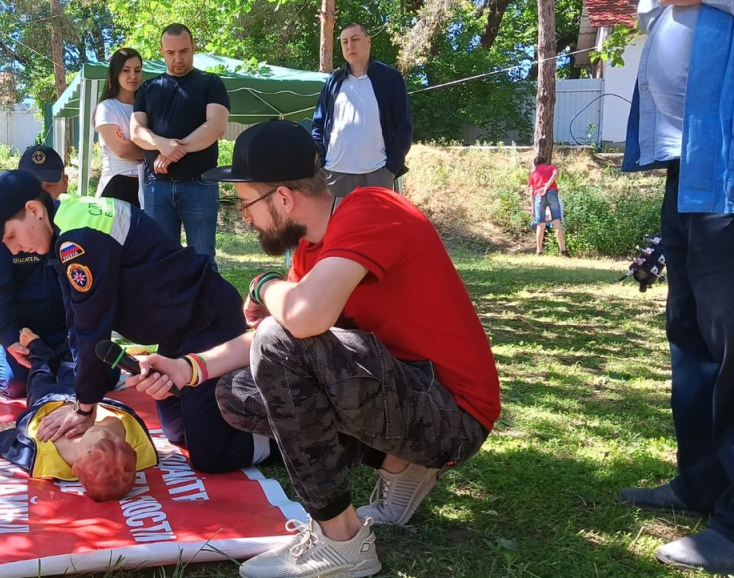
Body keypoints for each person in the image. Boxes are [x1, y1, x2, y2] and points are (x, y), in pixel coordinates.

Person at [129, 120, 501, 577]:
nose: (243, 216)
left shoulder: (373, 209)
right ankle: (399, 464)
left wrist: (264, 284)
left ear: (283, 197)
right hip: (410, 395)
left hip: (454, 418)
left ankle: (341, 542)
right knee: (236, 393)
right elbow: (287, 335)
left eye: (245, 202)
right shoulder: (312, 248)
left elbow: (299, 322)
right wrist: (189, 368)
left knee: (277, 341)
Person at [0, 170, 272, 473]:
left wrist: (84, 407)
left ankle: (276, 436)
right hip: (178, 328)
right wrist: (83, 394)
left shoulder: (77, 240)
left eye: (10, 236)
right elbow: (75, 323)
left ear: (34, 210)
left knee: (210, 455)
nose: (12, 249)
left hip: (208, 322)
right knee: (177, 432)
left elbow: (92, 328)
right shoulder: (66, 224)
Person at [615, 0, 734, 573]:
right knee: (688, 333)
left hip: (729, 159)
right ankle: (700, 483)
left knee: (730, 337)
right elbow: (645, 14)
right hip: (686, 162)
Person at [0, 328, 156, 502]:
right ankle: (70, 341)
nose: (102, 434)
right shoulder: (122, 443)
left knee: (39, 376)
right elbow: (120, 422)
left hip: (44, 402)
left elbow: (18, 449)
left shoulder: (47, 461)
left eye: (93, 447)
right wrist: (106, 425)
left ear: (76, 468)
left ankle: (38, 349)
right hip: (78, 397)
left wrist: (5, 434)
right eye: (115, 440)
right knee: (73, 370)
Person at [131, 23, 228, 270]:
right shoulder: (148, 88)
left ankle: (208, 309)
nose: (178, 59)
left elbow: (215, 127)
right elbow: (136, 132)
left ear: (193, 48)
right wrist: (162, 145)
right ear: (162, 51)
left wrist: (172, 153)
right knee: (161, 259)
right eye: (171, 53)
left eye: (184, 51)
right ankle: (167, 308)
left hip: (200, 184)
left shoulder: (210, 83)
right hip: (157, 188)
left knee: (203, 258)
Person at [0, 145, 70, 398]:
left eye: (49, 186)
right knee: (17, 385)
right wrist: (9, 338)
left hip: (70, 329)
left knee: (90, 378)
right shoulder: (3, 226)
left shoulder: (71, 225)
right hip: (26, 333)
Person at [311, 22, 413, 203]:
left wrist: (390, 169)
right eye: (344, 42)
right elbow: (318, 124)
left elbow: (403, 127)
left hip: (377, 174)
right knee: (337, 230)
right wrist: (322, 164)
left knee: (376, 230)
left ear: (368, 41)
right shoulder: (333, 82)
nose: (350, 45)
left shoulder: (390, 78)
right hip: (335, 174)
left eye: (355, 39)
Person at [94, 47, 143, 208]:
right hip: (117, 185)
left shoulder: (146, 106)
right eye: (126, 70)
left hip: (146, 187)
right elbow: (122, 150)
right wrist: (155, 150)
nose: (133, 76)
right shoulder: (107, 108)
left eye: (137, 70)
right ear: (116, 73)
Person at [527, 156, 568, 257]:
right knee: (556, 222)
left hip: (538, 196)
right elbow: (555, 174)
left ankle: (539, 251)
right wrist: (546, 187)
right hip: (552, 193)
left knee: (540, 224)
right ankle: (563, 250)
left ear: (535, 165)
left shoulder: (533, 174)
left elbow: (531, 192)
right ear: (545, 162)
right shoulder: (551, 167)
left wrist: (532, 207)